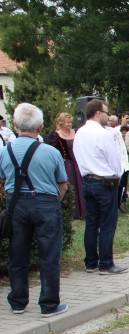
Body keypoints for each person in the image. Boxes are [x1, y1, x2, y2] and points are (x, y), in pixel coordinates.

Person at [0, 103, 69, 316]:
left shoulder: (4, 151)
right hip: (46, 203)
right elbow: (63, 186)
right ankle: (49, 304)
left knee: (17, 254)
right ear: (40, 128)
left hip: (16, 205)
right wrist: (52, 202)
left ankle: (18, 301)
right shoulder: (51, 152)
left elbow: (3, 179)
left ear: (15, 125)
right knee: (49, 256)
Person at [72, 99, 127, 273]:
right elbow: (114, 158)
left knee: (91, 223)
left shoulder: (79, 132)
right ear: (97, 113)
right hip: (104, 181)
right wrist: (117, 173)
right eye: (105, 112)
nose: (107, 116)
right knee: (107, 224)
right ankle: (106, 263)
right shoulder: (103, 133)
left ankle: (90, 262)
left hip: (87, 180)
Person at [46, 112, 85, 218]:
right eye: (67, 122)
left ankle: (82, 210)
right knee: (69, 184)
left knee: (80, 184)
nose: (70, 124)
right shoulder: (56, 135)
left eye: (71, 122)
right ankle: (71, 211)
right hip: (66, 163)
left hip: (77, 162)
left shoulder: (75, 133)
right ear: (62, 123)